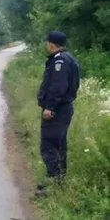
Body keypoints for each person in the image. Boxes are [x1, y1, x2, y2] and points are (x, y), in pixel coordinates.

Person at [36, 31, 80, 196]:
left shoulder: (59, 60)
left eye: (48, 43)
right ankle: (60, 183)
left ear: (51, 44)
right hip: (64, 109)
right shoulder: (69, 58)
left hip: (57, 110)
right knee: (60, 146)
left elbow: (58, 87)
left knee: (49, 145)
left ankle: (53, 185)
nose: (47, 45)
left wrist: (50, 107)